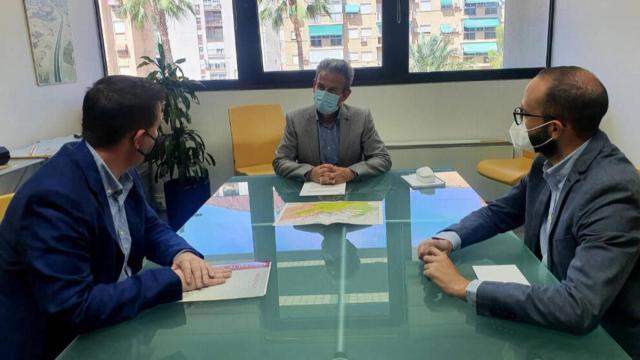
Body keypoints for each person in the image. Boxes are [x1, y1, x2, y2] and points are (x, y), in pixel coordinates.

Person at [0, 75, 231, 359]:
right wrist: (170, 280)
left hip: (112, 324)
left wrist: (181, 253)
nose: (158, 137)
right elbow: (75, 307)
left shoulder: (119, 170)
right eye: (156, 129)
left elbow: (149, 225)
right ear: (139, 140)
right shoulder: (53, 200)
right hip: (61, 346)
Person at [417, 66, 640, 358]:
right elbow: (500, 212)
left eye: (525, 115)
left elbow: (578, 307)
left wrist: (464, 286)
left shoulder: (612, 191)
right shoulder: (549, 162)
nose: (520, 125)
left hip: (602, 342)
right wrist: (450, 238)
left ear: (555, 128)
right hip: (546, 310)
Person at [273, 58, 391, 184]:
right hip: (310, 194)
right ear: (314, 86)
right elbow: (280, 161)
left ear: (345, 95)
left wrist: (351, 173)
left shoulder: (361, 118)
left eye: (332, 91)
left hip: (350, 192)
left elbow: (382, 158)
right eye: (321, 87)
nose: (324, 94)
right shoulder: (295, 119)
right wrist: (310, 173)